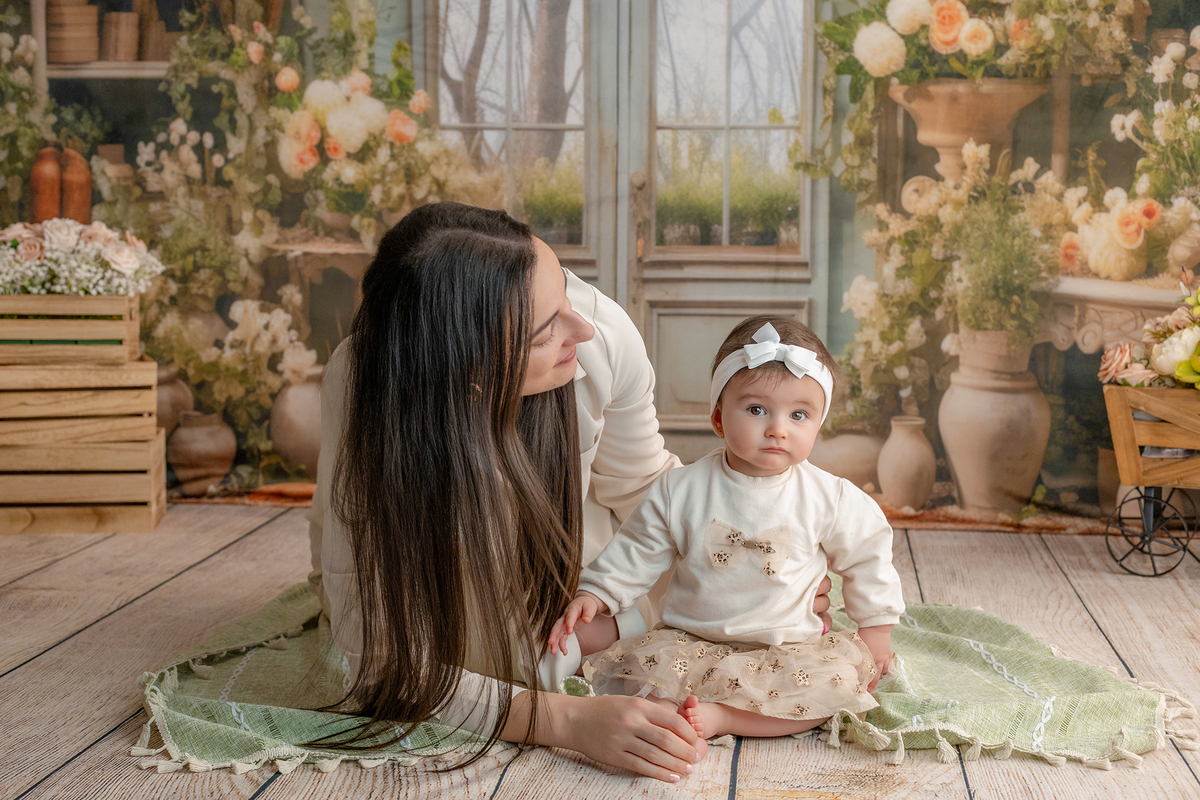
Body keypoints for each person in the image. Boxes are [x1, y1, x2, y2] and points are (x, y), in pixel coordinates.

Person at [307, 203, 832, 783]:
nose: (580, 327)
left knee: (627, 623)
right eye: (544, 331)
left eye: (565, 291)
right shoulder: (363, 390)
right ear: (465, 367)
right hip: (437, 590)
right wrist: (565, 721)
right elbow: (372, 657)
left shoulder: (599, 333)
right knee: (483, 666)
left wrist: (746, 566)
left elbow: (643, 489)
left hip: (561, 568)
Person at [549, 315, 905, 756]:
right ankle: (678, 716)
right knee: (647, 685)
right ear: (719, 417)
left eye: (799, 415)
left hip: (787, 648)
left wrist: (876, 630)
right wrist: (597, 592)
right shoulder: (682, 489)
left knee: (834, 689)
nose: (778, 428)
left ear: (818, 425)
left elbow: (869, 555)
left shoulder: (828, 497)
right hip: (692, 641)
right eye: (756, 410)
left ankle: (726, 717)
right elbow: (638, 549)